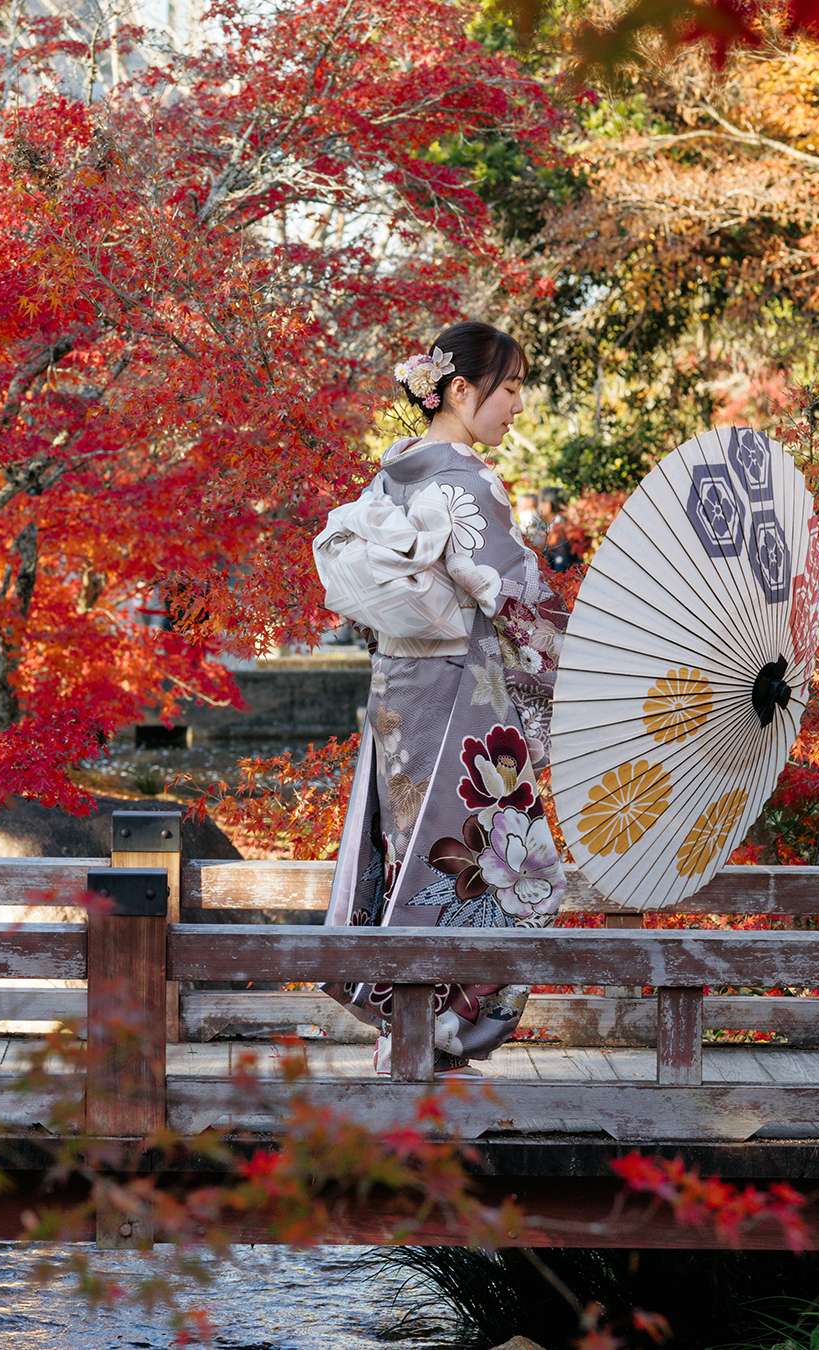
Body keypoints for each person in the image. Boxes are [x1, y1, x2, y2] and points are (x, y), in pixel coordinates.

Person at [321, 321, 570, 1079]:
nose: (520, 405)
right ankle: (438, 1032)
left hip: (400, 693)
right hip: (464, 694)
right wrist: (583, 662)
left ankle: (405, 1028)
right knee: (497, 866)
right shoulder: (465, 479)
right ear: (461, 390)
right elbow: (517, 596)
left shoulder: (392, 473)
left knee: (416, 853)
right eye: (513, 387)